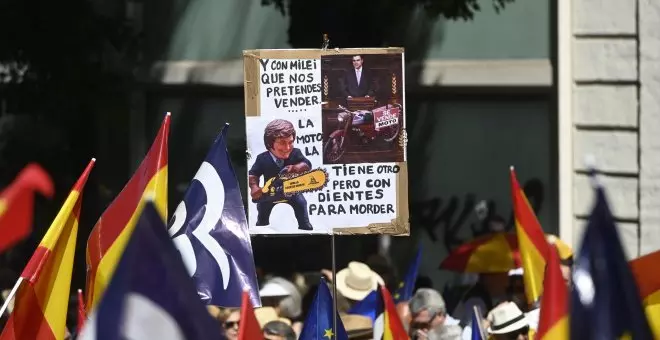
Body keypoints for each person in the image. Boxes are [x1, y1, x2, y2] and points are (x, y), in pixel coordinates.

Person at [248, 119, 313, 230]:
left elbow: (307, 164)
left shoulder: (296, 153)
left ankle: (304, 226)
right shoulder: (262, 158)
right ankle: (261, 225)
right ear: (270, 143)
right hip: (270, 192)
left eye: (290, 142)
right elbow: (253, 174)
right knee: (262, 209)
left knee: (301, 203)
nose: (287, 148)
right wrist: (254, 187)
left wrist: (296, 168)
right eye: (282, 143)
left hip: (292, 191)